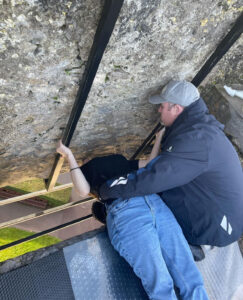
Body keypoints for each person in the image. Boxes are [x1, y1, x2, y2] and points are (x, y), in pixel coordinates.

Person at [56, 80, 210, 299]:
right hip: (127, 212)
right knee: (161, 285)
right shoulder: (88, 171)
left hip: (153, 202)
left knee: (189, 275)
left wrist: (158, 139)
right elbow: (82, 190)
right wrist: (69, 156)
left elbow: (149, 165)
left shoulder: (120, 161)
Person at [99, 80, 243, 248]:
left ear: (177, 109)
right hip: (223, 210)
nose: (159, 109)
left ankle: (188, 245)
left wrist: (106, 190)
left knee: (147, 197)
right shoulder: (199, 128)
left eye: (163, 105)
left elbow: (153, 179)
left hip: (216, 229)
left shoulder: (195, 142)